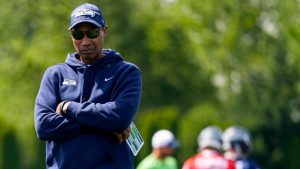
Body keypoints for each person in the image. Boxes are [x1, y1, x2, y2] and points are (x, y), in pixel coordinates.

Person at [34, 3, 142, 169]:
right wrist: (105, 125)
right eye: (78, 34)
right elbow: (44, 126)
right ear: (71, 35)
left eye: (91, 32)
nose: (85, 41)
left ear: (104, 31)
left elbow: (120, 117)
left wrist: (68, 107)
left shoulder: (126, 72)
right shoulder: (55, 74)